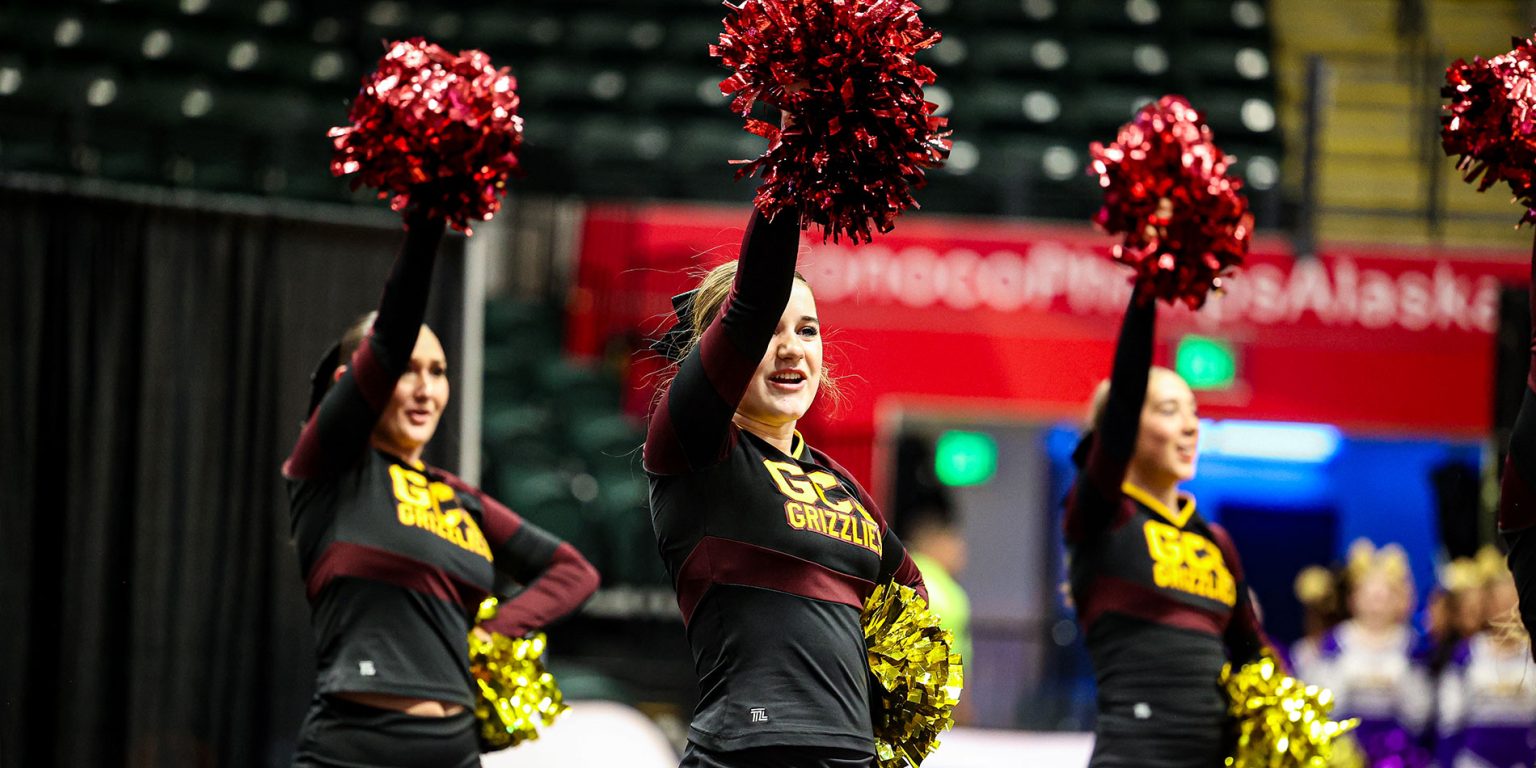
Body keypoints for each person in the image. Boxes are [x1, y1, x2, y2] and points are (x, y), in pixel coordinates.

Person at [283, 212, 600, 768]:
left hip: (454, 749)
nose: (426, 390)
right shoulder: (330, 471)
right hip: (353, 747)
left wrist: (495, 629)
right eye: (407, 370)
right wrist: (429, 219)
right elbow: (390, 335)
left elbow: (574, 572)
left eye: (438, 371)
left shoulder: (461, 499)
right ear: (349, 385)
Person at [644, 202, 928, 768]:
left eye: (807, 330)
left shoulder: (841, 484)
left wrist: (884, 712)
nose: (792, 348)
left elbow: (911, 597)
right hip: (747, 752)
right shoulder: (696, 449)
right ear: (723, 354)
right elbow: (750, 302)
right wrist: (792, 181)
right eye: (768, 331)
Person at [1063, 284, 1268, 768]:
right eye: (1169, 411)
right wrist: (1147, 290)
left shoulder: (1215, 541)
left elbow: (1253, 658)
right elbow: (1122, 403)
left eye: (1194, 411)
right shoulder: (1103, 517)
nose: (1192, 426)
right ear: (1126, 428)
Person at [1301, 540, 1432, 767]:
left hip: (1398, 749)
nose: (1376, 605)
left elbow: (1420, 712)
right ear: (1353, 599)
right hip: (1344, 747)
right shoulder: (1336, 641)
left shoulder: (1410, 643)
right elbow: (1319, 700)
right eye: (1369, 596)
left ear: (1397, 600)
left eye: (1383, 597)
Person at [1436, 561, 1536, 768]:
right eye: (1499, 602)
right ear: (1486, 606)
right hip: (1475, 759)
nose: (1507, 611)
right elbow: (1449, 717)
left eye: (1512, 602)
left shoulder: (1532, 652)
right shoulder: (1467, 653)